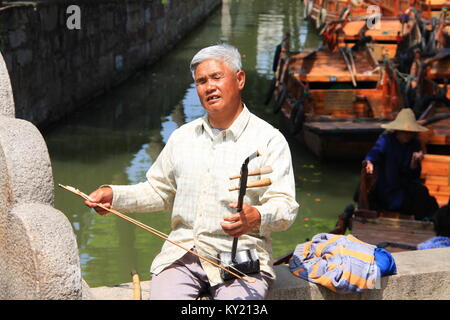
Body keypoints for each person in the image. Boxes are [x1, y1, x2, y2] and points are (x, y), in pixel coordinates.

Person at [84, 44, 299, 300]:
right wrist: (114, 196)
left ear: (239, 79)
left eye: (217, 77)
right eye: (201, 81)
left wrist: (257, 216)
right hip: (182, 254)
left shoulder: (269, 140)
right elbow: (159, 192)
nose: (209, 87)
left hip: (240, 258)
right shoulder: (182, 137)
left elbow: (286, 207)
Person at [362, 108, 438, 220]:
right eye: (404, 132)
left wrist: (414, 163)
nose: (407, 135)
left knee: (426, 198)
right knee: (417, 196)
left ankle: (422, 223)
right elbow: (375, 151)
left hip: (405, 186)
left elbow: (414, 175)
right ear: (397, 130)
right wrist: (369, 161)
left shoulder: (415, 144)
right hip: (388, 187)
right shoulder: (386, 140)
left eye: (410, 132)